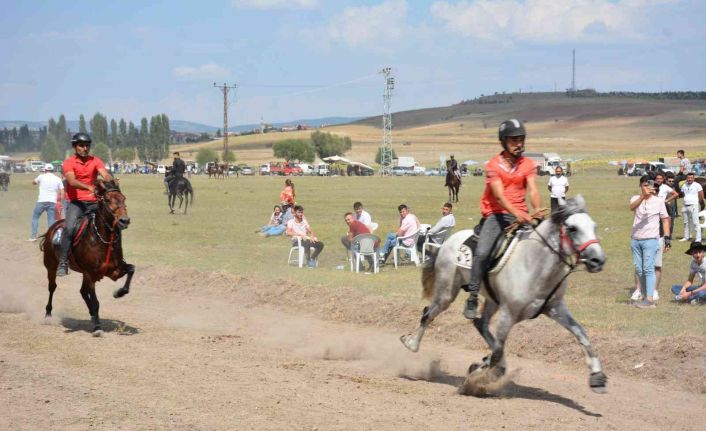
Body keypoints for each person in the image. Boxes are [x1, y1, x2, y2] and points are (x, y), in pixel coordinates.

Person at [463, 119, 542, 320]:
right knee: (482, 253)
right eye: (514, 140)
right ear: (503, 142)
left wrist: (537, 209)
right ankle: (472, 296)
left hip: (523, 214)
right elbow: (499, 197)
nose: (519, 144)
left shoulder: (528, 164)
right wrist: (517, 213)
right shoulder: (492, 166)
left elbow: (533, 189)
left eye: (522, 139)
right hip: (496, 215)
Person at [57, 133, 113, 277]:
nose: (85, 148)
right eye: (81, 145)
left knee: (113, 223)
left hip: (95, 202)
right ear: (75, 147)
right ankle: (63, 262)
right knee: (69, 228)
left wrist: (109, 179)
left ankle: (114, 257)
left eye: (87, 145)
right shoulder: (68, 162)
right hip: (77, 203)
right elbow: (71, 181)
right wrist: (88, 187)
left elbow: (104, 173)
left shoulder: (95, 160)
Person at [631, 172, 677, 302]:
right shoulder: (635, 198)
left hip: (652, 239)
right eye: (645, 185)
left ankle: (650, 296)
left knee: (651, 267)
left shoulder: (659, 201)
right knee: (639, 268)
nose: (648, 187)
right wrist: (642, 197)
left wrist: (667, 239)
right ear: (640, 186)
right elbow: (631, 207)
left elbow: (665, 220)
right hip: (635, 239)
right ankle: (641, 290)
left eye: (650, 185)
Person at [28, 163, 64, 241]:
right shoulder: (58, 179)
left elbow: (33, 182)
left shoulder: (41, 176)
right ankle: (50, 237)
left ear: (45, 170)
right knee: (51, 219)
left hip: (41, 200)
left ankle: (33, 236)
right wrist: (61, 202)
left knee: (35, 217)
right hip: (52, 201)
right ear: (53, 170)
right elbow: (62, 191)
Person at [679, 172, 704, 243]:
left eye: (691, 178)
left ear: (693, 178)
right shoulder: (684, 185)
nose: (689, 179)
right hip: (685, 205)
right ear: (686, 178)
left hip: (694, 205)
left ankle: (698, 238)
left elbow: (701, 195)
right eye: (688, 178)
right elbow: (684, 194)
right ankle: (686, 237)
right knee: (685, 222)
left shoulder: (697, 185)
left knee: (696, 222)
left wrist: (697, 203)